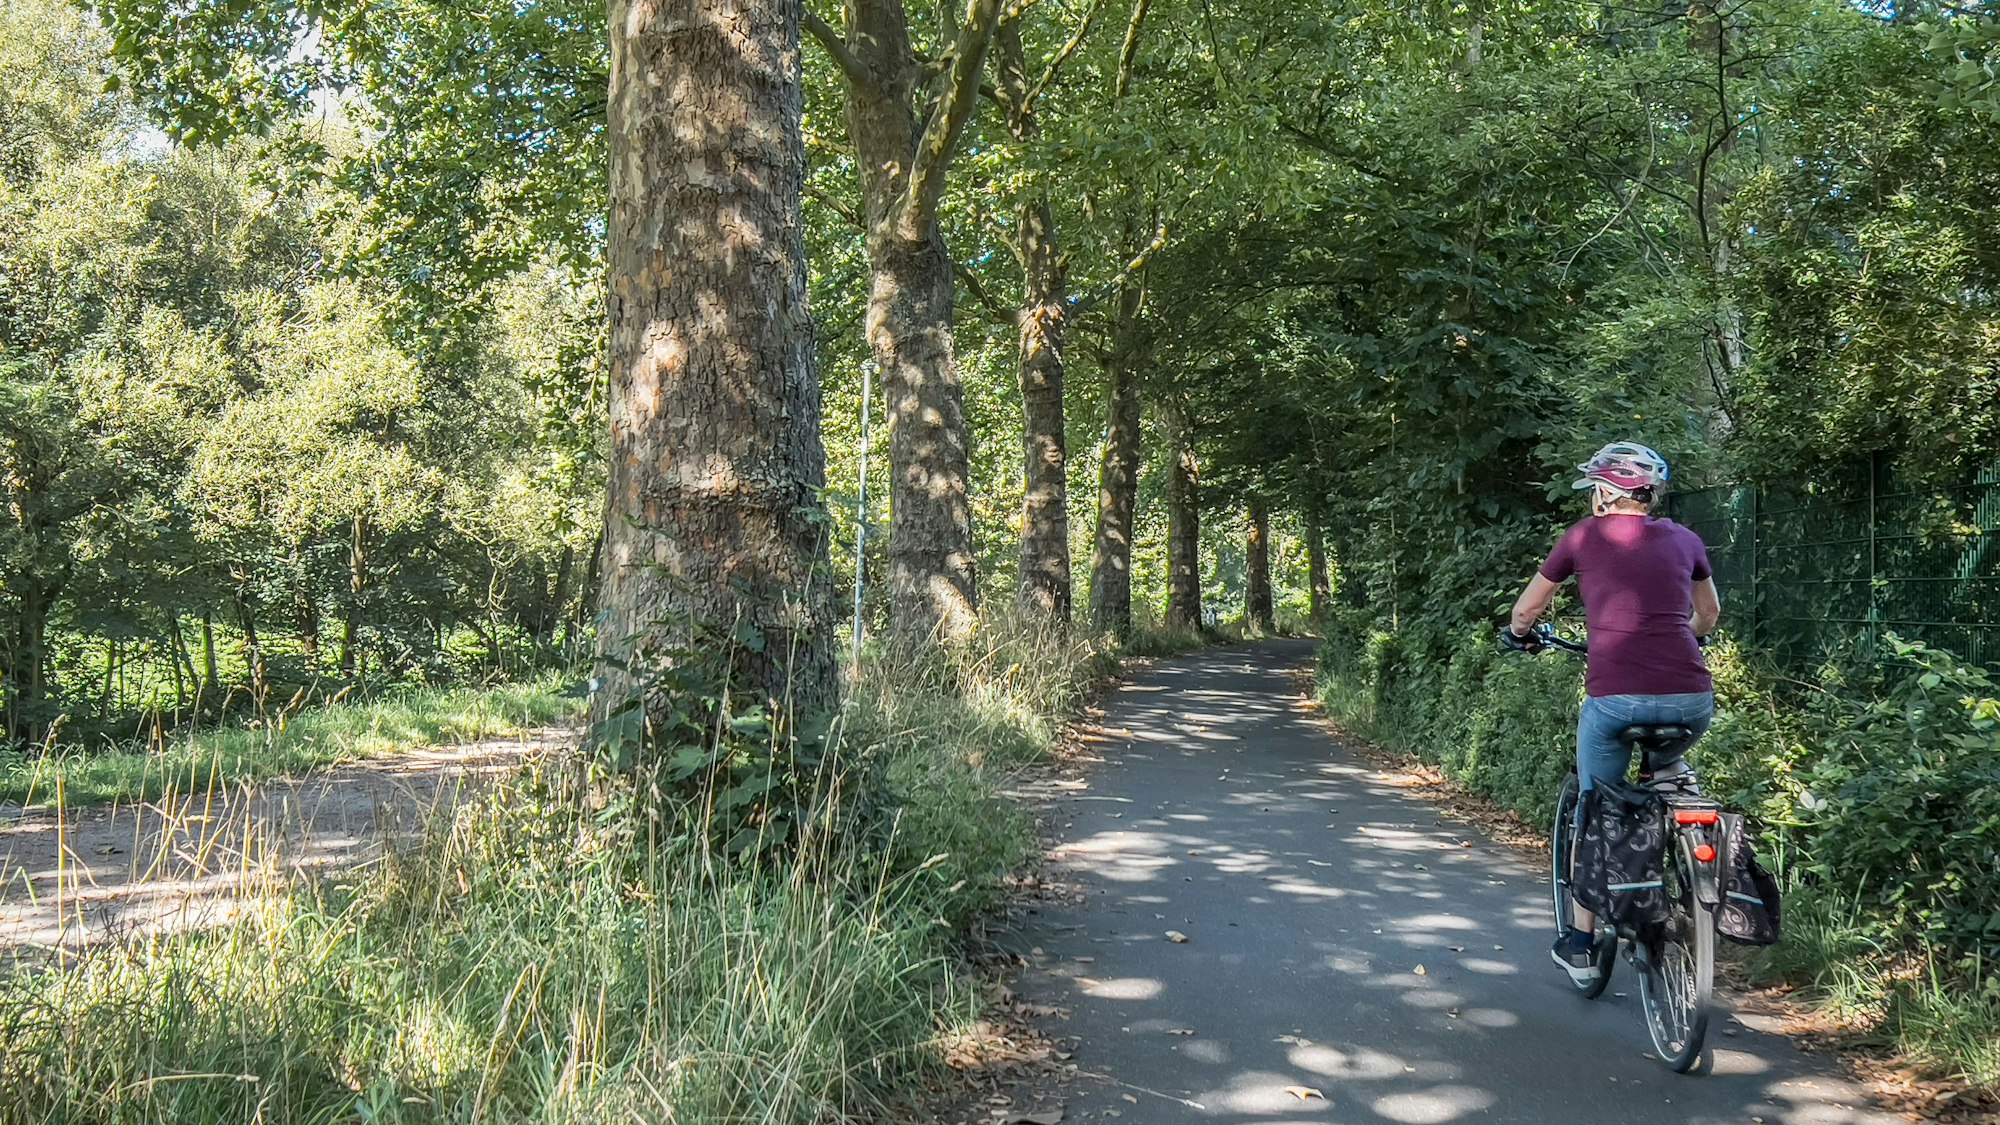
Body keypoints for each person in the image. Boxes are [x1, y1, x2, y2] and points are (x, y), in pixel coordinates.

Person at [1501, 441, 1722, 985]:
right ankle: (1676, 820)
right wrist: (1675, 641)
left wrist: (1518, 636)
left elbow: (1527, 609)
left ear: (1607, 492)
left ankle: (1580, 944)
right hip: (1691, 700)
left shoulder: (1581, 537)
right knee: (1665, 765)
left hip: (1614, 700)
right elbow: (1709, 615)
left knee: (1596, 809)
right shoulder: (1686, 539)